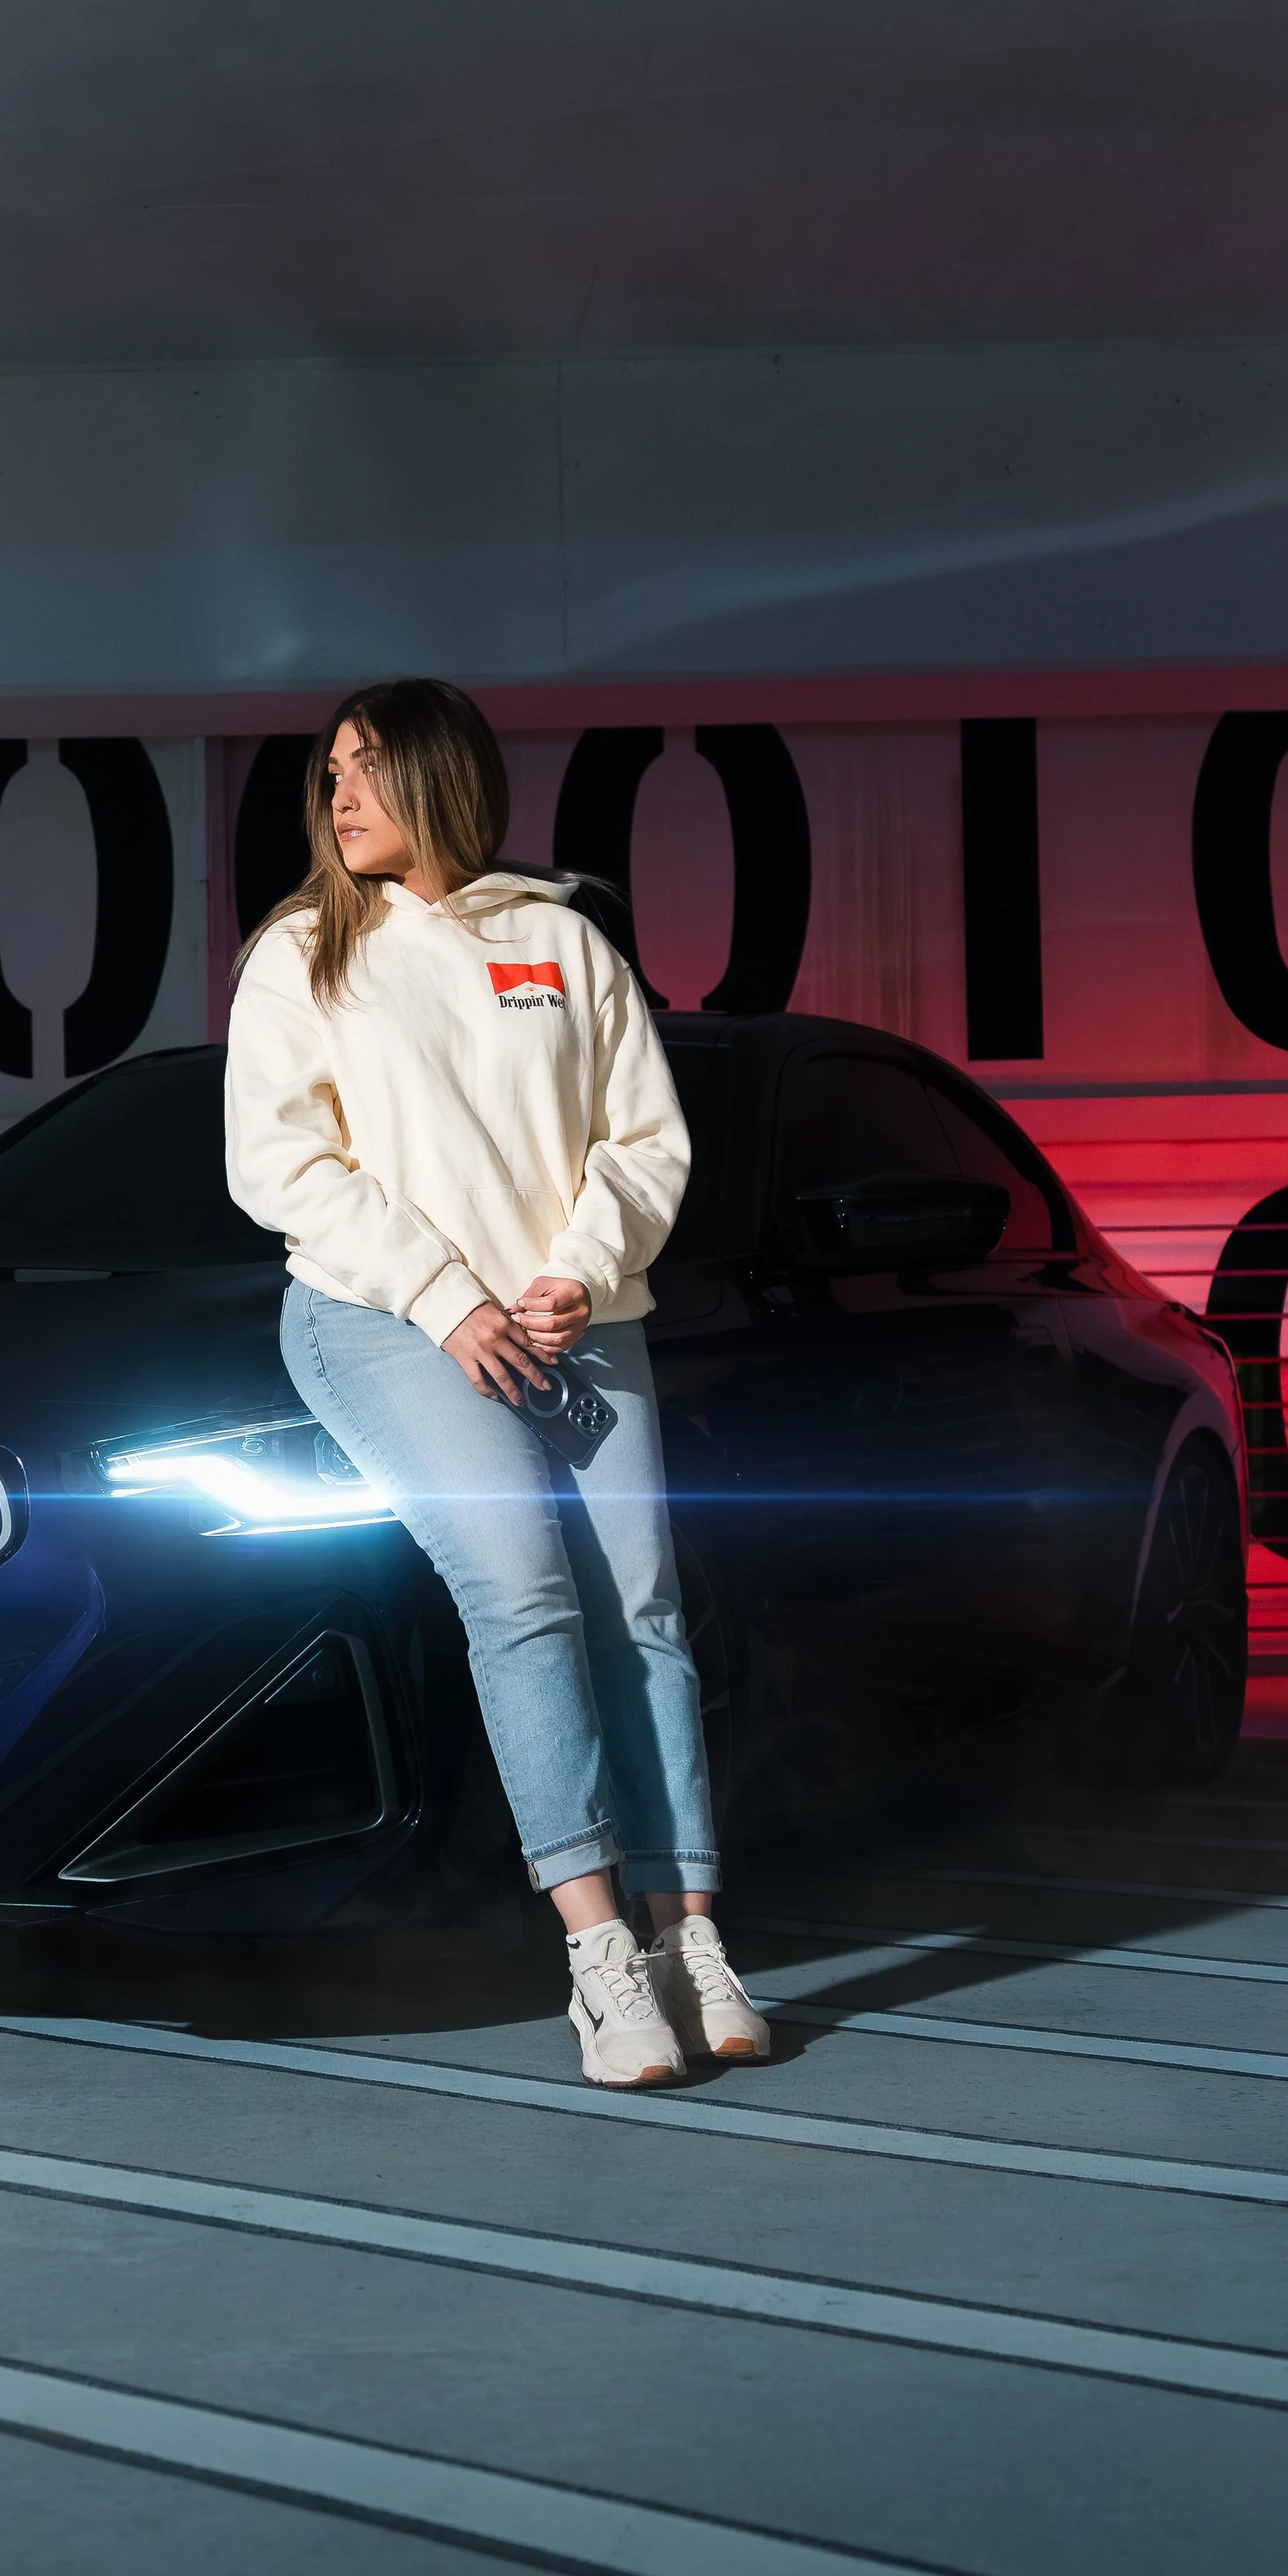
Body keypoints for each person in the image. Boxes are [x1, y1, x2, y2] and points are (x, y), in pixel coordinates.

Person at [223, 677, 769, 2088]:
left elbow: (642, 1141)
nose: (339, 795)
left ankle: (687, 1934)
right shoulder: (301, 956)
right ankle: (598, 1955)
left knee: (640, 1606)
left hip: (575, 1315)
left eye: (369, 769)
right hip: (386, 1316)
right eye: (329, 772)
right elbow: (282, 1166)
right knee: (523, 1587)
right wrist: (447, 1291)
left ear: (444, 780)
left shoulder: (563, 941)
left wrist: (583, 1265)